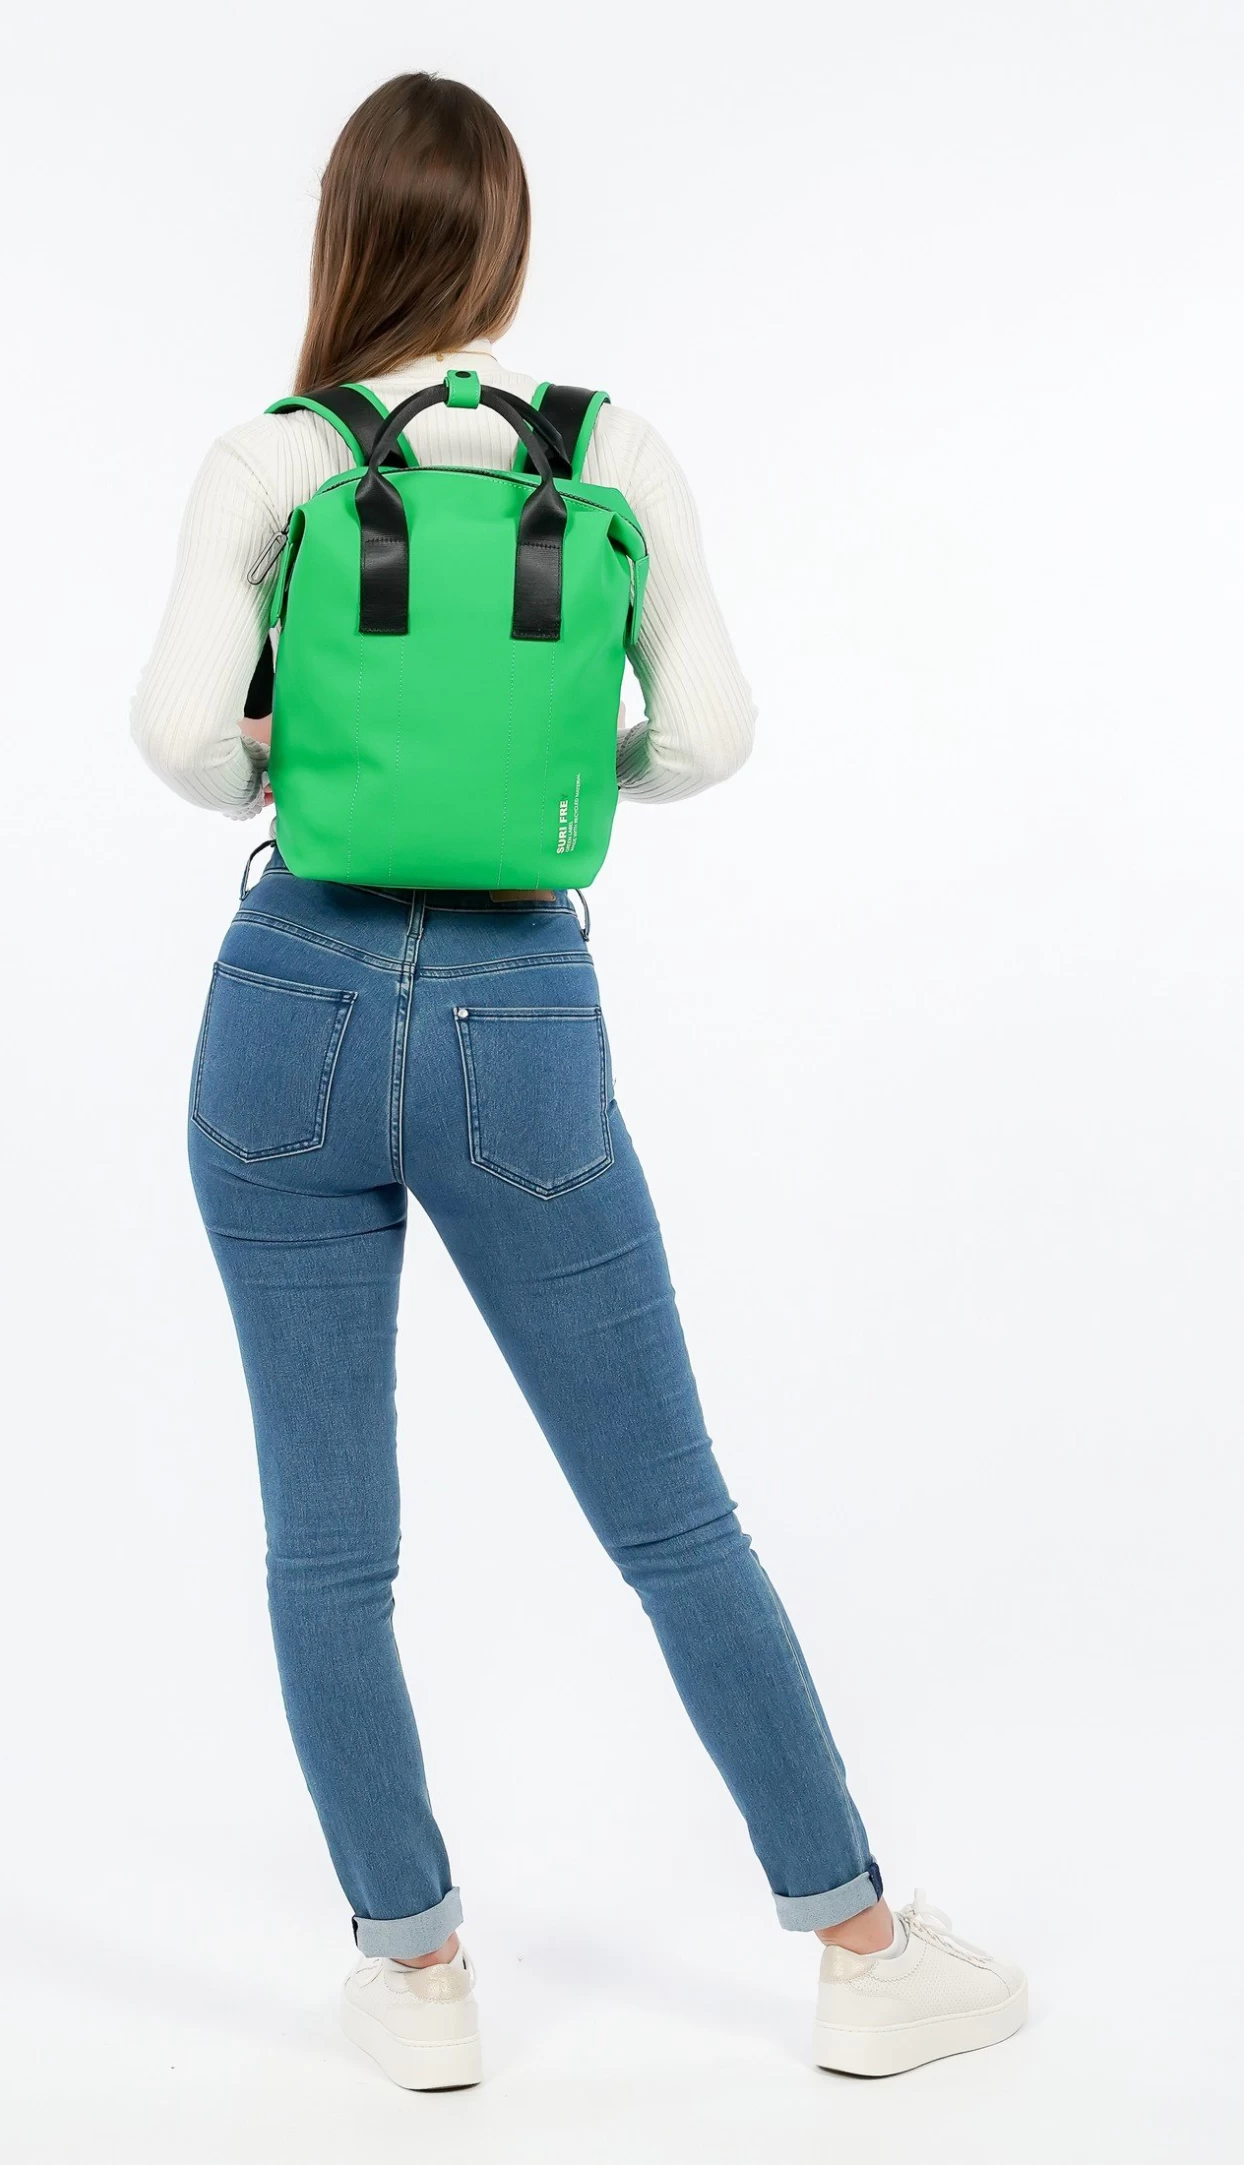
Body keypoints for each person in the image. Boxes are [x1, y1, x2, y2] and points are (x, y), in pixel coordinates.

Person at [130, 71, 1026, 2090]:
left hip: (284, 1005)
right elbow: (711, 735)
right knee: (673, 1515)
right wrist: (562, 779)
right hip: (517, 1016)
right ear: (507, 243)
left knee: (328, 1545)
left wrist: (301, 759)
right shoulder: (607, 452)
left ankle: (418, 1972)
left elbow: (179, 736)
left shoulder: (270, 457)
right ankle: (861, 1947)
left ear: (344, 239)